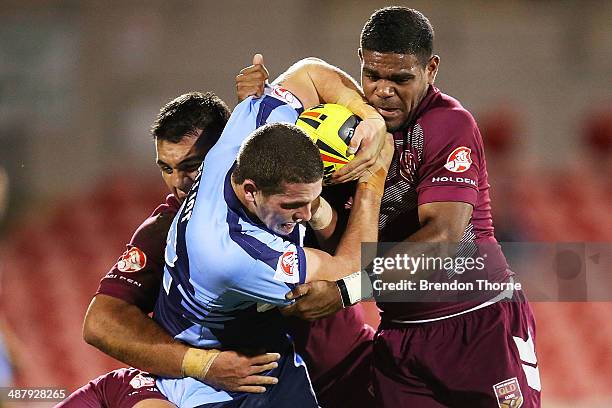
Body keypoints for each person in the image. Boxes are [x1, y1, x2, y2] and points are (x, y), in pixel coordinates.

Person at [237, 6, 541, 408]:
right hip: (400, 334)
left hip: (478, 323)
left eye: (400, 78)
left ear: (430, 69)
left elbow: (444, 239)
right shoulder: (337, 129)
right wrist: (252, 107)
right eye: (372, 75)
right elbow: (347, 233)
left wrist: (347, 291)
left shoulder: (448, 123)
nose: (383, 90)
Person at [152, 59, 392, 407]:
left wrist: (370, 120)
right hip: (222, 385)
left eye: (311, 200)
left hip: (280, 360)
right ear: (251, 191)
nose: (305, 215)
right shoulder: (235, 252)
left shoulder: (250, 128)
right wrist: (375, 175)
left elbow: (309, 72)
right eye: (293, 205)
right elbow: (359, 271)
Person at [61, 92, 281, 407]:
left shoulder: (289, 207)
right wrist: (200, 364)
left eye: (192, 165)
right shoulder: (167, 228)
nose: (178, 182)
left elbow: (361, 281)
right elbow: (99, 322)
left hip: (351, 365)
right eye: (166, 168)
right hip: (187, 391)